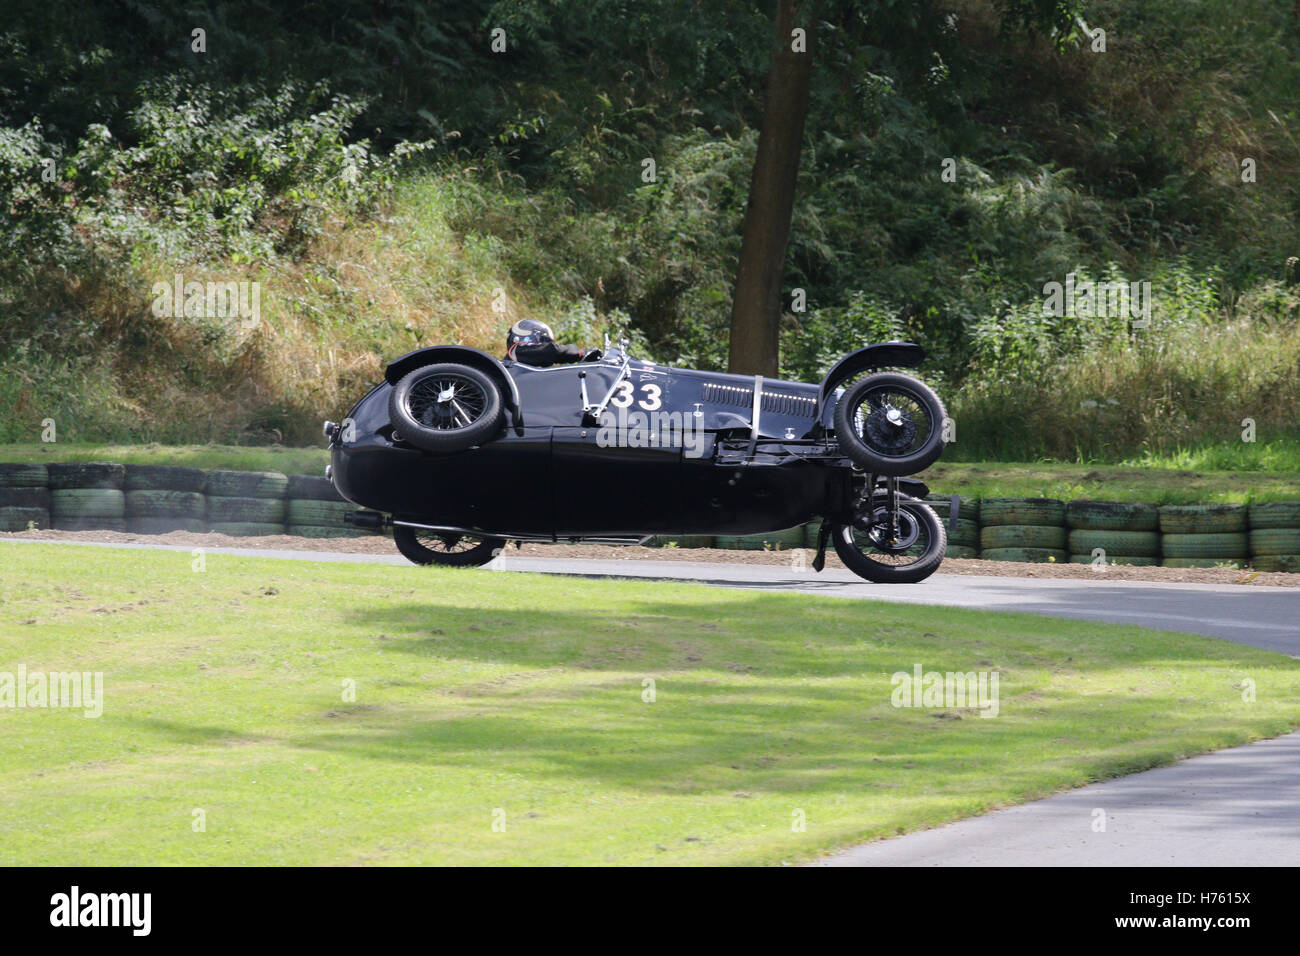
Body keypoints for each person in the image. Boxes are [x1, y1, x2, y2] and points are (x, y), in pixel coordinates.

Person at [505, 319, 595, 367]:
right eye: (545, 342)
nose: (547, 345)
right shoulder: (516, 353)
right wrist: (581, 353)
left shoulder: (524, 369)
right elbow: (549, 351)